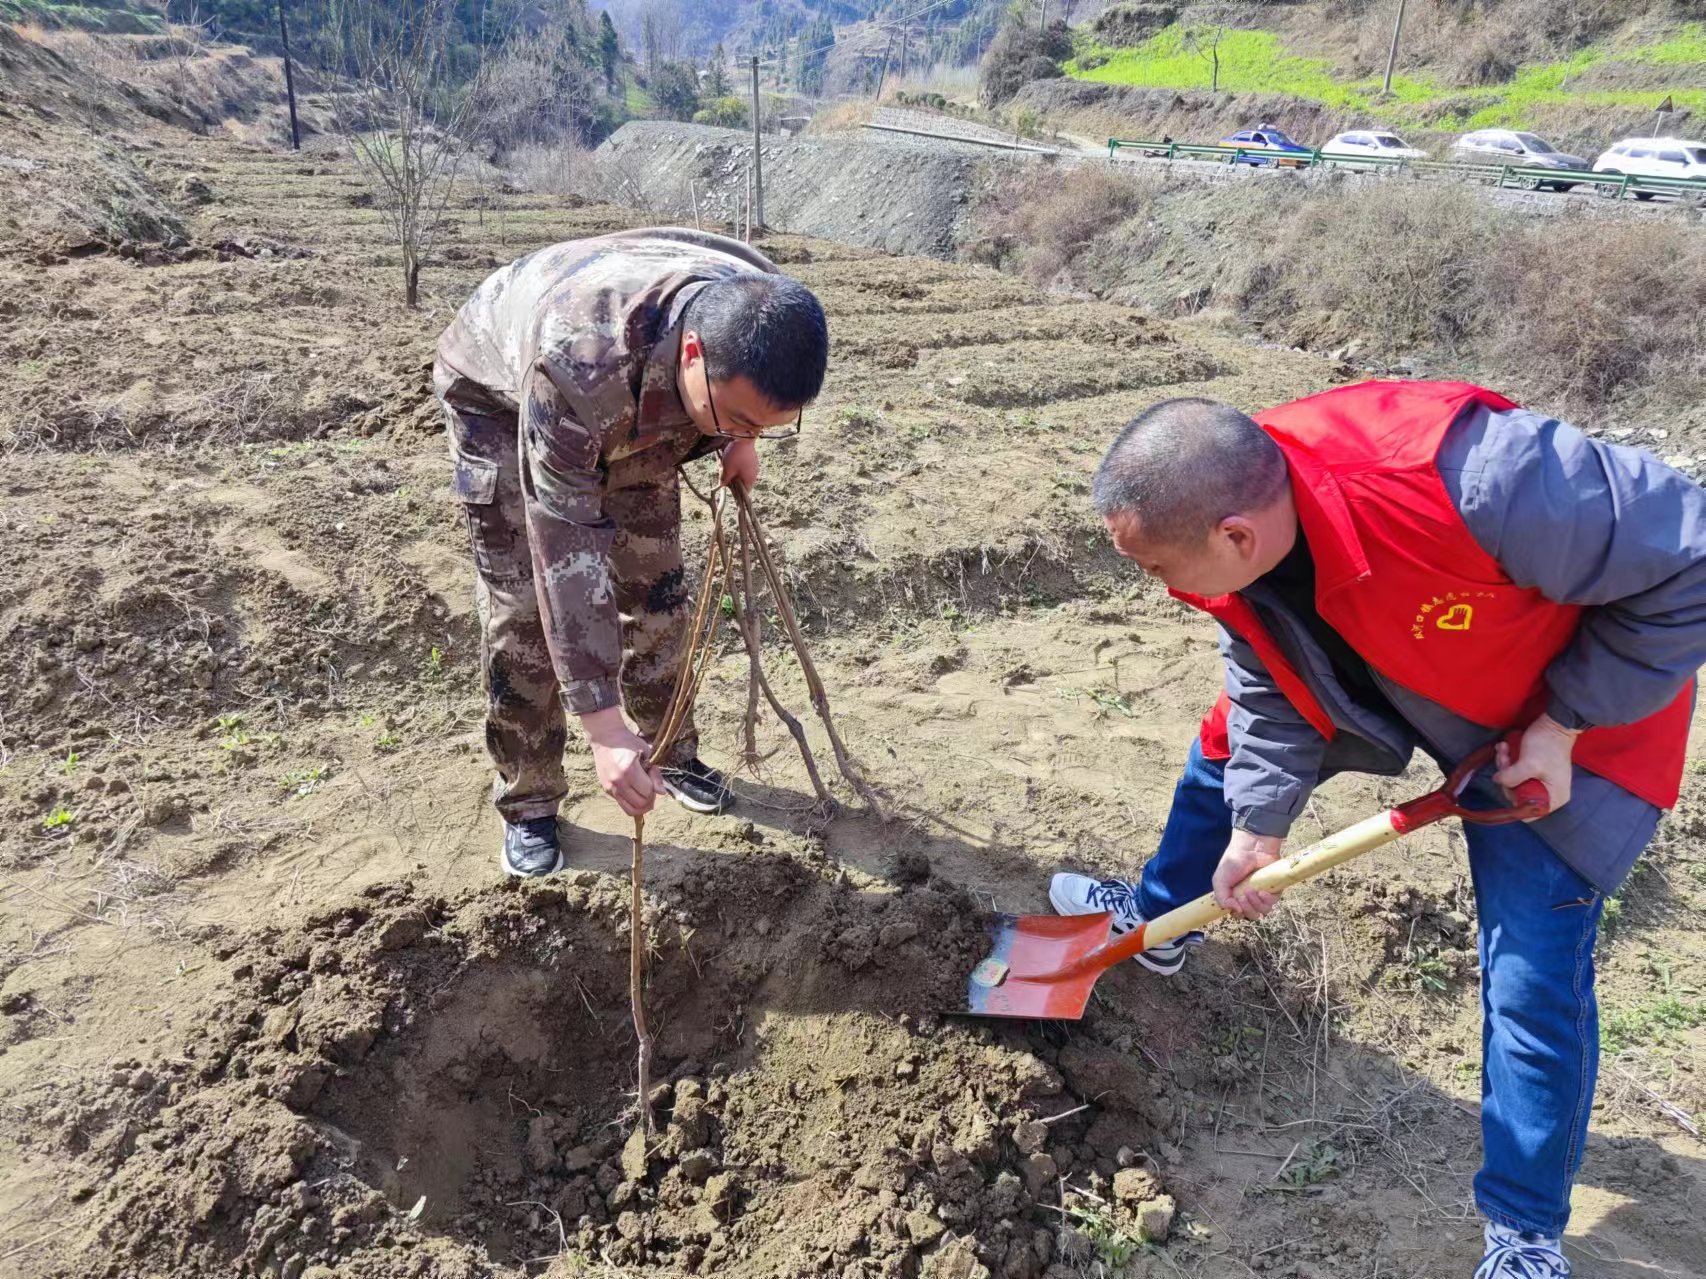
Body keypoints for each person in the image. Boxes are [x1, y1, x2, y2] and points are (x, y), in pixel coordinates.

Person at [1049, 381, 1706, 1278]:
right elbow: (1266, 669)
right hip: (1406, 662)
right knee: (1227, 753)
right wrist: (1256, 829)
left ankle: (1525, 1232)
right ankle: (1160, 925)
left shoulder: (1475, 475)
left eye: (1160, 570)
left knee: (1531, 976)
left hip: (1567, 733)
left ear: (1236, 536)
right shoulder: (1242, 507)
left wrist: (1563, 723)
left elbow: (1692, 551)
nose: (1161, 590)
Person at [433, 228, 829, 878]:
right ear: (697, 353)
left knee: (657, 583)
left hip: (650, 385)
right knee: (525, 609)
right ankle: (529, 800)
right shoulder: (572, 370)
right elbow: (564, 547)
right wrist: (605, 727)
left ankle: (671, 751)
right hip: (499, 390)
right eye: (738, 416)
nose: (749, 431)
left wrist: (740, 438)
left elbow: (744, 391)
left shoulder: (761, 306)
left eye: (769, 423)